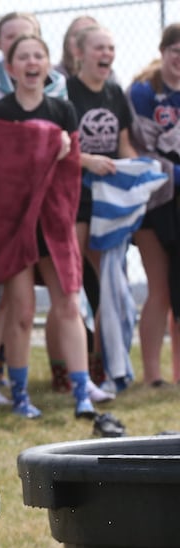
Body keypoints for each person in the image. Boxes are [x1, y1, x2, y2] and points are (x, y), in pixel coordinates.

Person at [0, 34, 97, 420]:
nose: (32, 63)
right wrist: (48, 142)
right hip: (15, 222)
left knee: (68, 303)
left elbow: (69, 168)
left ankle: (83, 393)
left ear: (48, 65)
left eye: (39, 56)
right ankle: (19, 395)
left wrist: (54, 147)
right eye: (23, 57)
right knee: (22, 311)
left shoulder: (63, 110)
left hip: (54, 219)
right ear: (10, 68)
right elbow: (5, 170)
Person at [0, 11, 67, 407]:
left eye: (29, 37)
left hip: (39, 205)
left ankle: (13, 376)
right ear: (0, 43)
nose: (21, 44)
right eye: (10, 36)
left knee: (27, 296)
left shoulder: (57, 87)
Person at [67, 25, 136, 394]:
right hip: (74, 198)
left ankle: (107, 365)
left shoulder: (114, 92)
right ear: (80, 51)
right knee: (72, 285)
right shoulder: (65, 92)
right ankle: (72, 370)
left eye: (111, 46)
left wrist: (143, 169)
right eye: (99, 47)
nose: (106, 53)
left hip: (110, 203)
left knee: (110, 287)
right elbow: (59, 148)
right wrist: (88, 160)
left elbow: (124, 147)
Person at [127, 23, 180, 387]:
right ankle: (152, 376)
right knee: (159, 288)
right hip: (154, 200)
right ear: (163, 52)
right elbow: (141, 151)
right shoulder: (144, 93)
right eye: (175, 50)